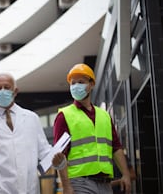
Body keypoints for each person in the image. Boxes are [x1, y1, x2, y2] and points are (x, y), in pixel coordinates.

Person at [51, 63, 131, 194]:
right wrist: (66, 186)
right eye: (73, 83)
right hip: (79, 182)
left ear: (92, 84)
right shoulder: (64, 115)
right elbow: (60, 156)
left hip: (105, 184)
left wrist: (126, 174)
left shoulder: (104, 115)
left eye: (81, 82)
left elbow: (116, 147)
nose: (76, 86)